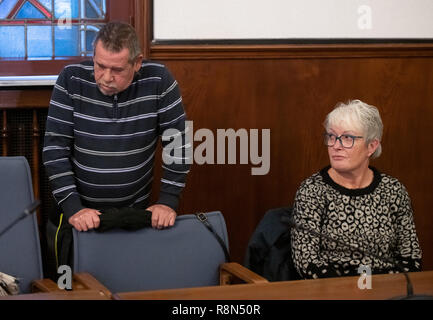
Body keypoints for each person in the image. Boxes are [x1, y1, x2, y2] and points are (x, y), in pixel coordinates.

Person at [43, 21, 190, 232]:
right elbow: (55, 150)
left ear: (137, 63)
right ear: (93, 55)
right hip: (77, 217)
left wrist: (168, 201)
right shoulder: (71, 78)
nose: (106, 78)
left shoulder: (159, 80)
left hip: (133, 217)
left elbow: (179, 145)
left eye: (117, 69)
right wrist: (73, 207)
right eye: (100, 66)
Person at [291, 99, 422, 279]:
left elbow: (411, 259)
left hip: (387, 291)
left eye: (347, 138)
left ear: (371, 146)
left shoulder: (394, 190)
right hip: (333, 292)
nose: (336, 145)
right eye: (331, 136)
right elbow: (307, 262)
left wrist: (374, 287)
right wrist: (354, 288)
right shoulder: (312, 190)